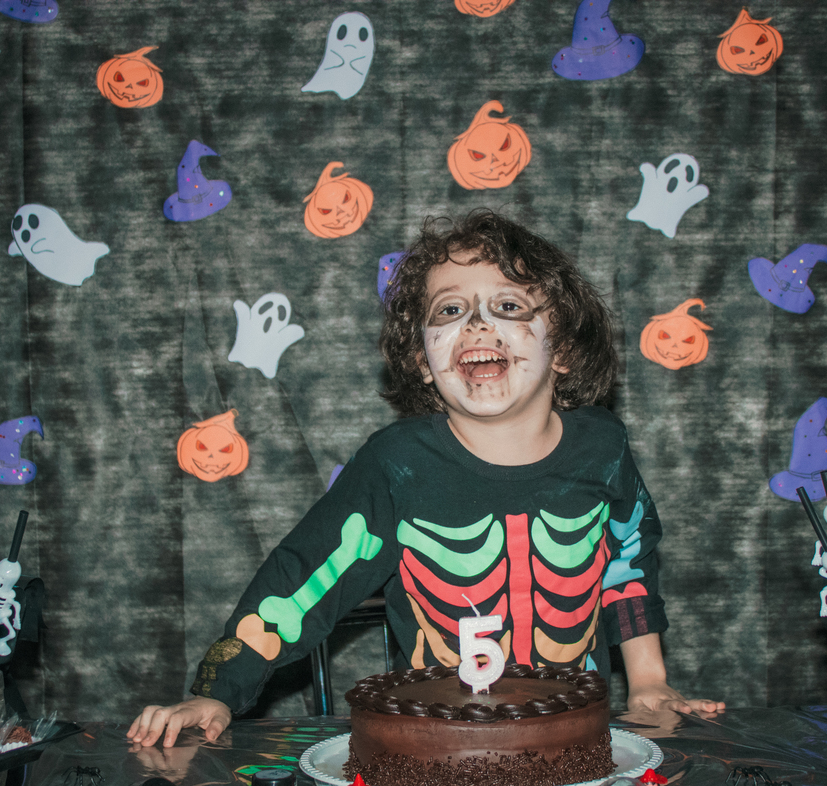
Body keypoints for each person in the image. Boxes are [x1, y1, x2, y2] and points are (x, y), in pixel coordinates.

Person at [128, 210, 724, 748]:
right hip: (436, 747)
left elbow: (628, 560)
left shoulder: (603, 447)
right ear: (422, 360)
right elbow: (302, 579)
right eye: (449, 311)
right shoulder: (398, 464)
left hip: (578, 739)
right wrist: (217, 692)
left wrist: (649, 681)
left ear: (562, 348)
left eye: (509, 307)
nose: (477, 324)